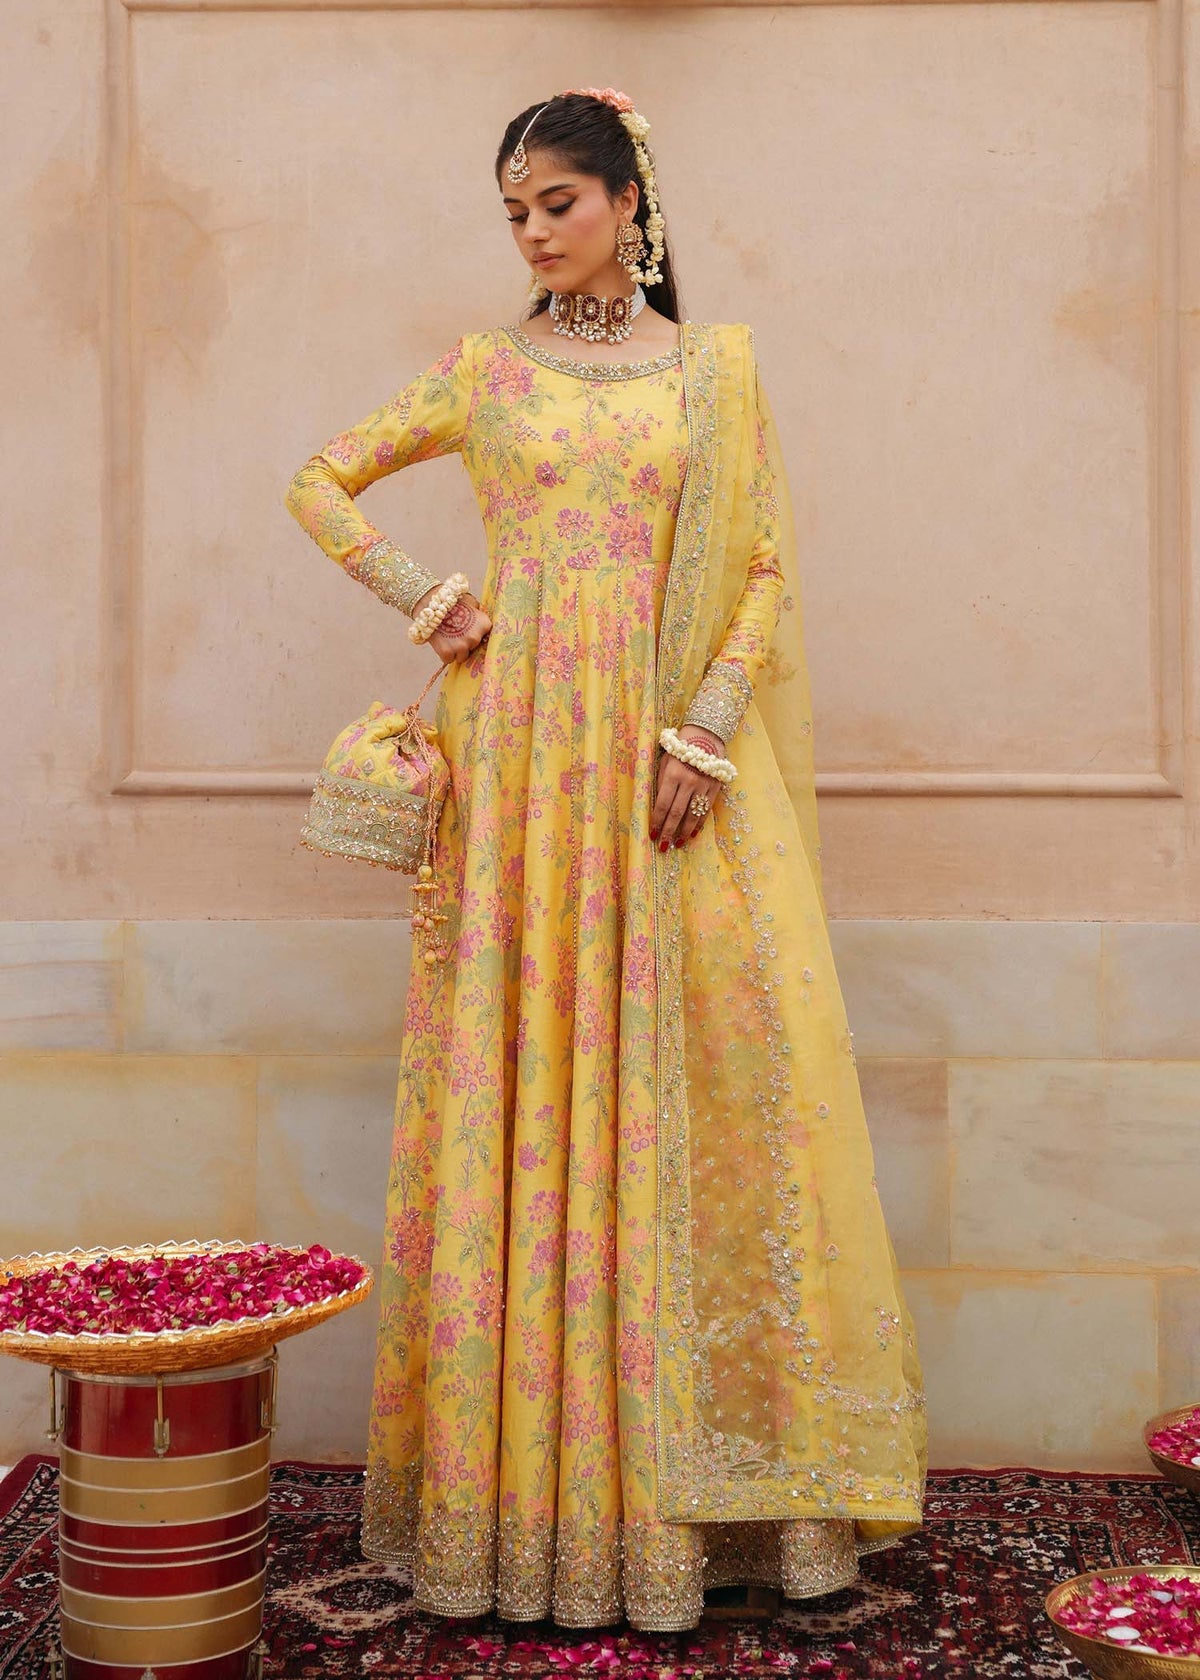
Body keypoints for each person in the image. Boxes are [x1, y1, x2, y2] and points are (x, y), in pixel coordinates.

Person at [284, 86, 927, 1635]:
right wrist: (427, 596)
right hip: (514, 763)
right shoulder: (487, 371)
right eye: (513, 211)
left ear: (630, 196)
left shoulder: (714, 372)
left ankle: (707, 1509)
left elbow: (761, 566)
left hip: (658, 761)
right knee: (522, 1080)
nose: (532, 232)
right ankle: (519, 1510)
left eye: (556, 202)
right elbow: (318, 480)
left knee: (698, 1087)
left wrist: (704, 729)